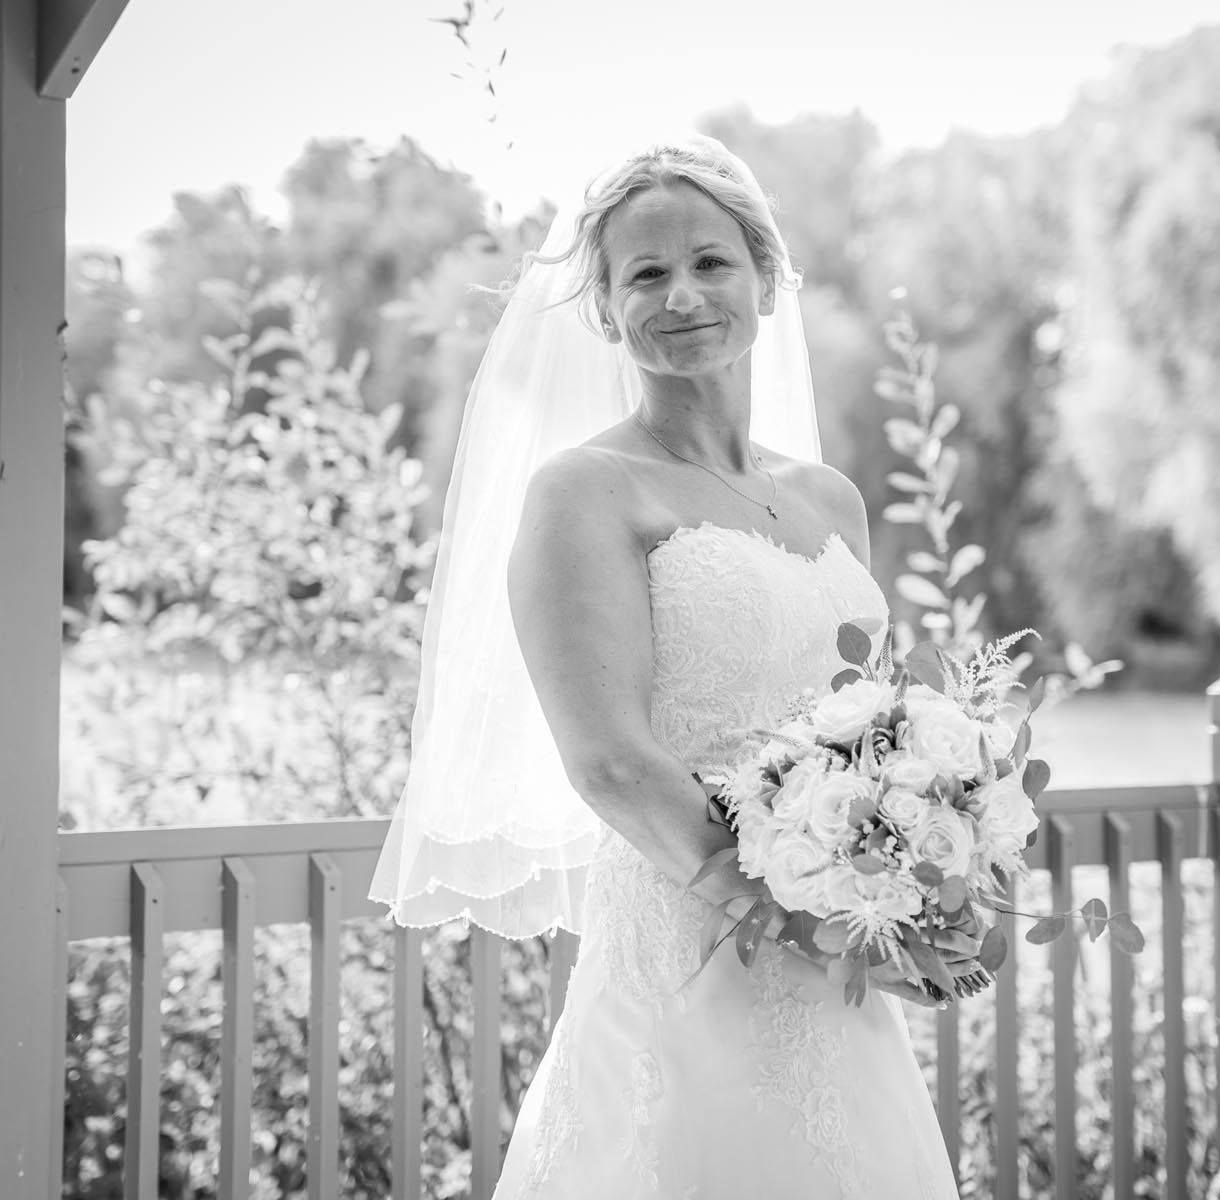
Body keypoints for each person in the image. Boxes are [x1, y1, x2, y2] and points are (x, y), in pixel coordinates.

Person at [371, 135, 960, 1199]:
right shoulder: (583, 494)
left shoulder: (833, 501)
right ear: (603, 309)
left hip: (841, 975)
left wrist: (923, 884)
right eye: (645, 274)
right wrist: (815, 918)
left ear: (767, 278)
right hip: (692, 954)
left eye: (710, 262)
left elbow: (870, 727)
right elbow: (611, 765)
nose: (682, 294)